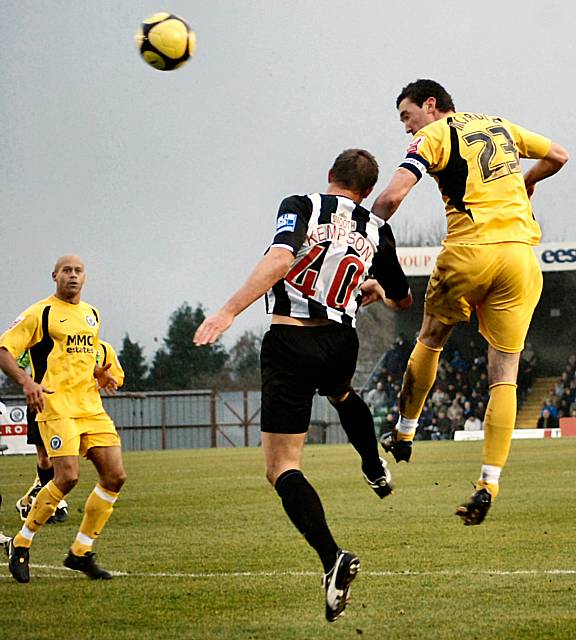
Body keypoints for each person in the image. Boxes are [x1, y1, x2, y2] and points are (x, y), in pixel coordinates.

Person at [194, 149, 411, 622]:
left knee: (282, 468)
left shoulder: (301, 204)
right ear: (369, 191)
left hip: (290, 341)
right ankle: (374, 467)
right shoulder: (378, 229)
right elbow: (402, 299)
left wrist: (229, 310)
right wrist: (372, 289)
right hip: (341, 340)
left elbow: (279, 259)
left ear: (330, 176)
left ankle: (333, 558)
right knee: (342, 394)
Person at [371, 78, 569, 525]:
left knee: (432, 337)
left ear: (430, 104)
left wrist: (360, 234)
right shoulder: (501, 126)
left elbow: (393, 195)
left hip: (470, 252)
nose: (406, 128)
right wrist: (526, 182)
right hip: (520, 257)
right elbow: (558, 155)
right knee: (505, 374)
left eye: (406, 116)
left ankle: (404, 433)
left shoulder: (434, 135)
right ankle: (489, 483)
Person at [0, 255, 127, 583]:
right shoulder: (40, 312)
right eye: (66, 271)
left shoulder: (91, 314)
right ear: (55, 276)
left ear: (85, 277)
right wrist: (27, 382)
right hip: (56, 406)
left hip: (91, 407)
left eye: (78, 271)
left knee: (115, 476)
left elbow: (84, 356)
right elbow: (3, 350)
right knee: (67, 477)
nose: (72, 275)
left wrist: (100, 372)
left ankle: (80, 552)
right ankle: (21, 541)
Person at [16, 340, 125, 524]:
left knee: (66, 463)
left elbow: (117, 376)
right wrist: (27, 380)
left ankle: (38, 501)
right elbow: (18, 363)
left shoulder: (103, 348)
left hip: (82, 410)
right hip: (45, 402)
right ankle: (41, 502)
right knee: (45, 458)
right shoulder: (49, 343)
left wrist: (103, 380)